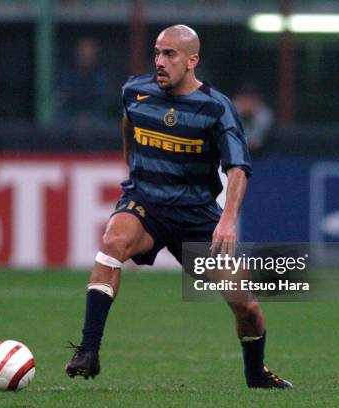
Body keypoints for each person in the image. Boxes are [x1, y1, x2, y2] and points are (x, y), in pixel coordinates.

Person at [64, 25, 292, 389]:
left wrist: (228, 220)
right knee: (111, 245)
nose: (159, 61)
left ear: (192, 60)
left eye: (170, 54)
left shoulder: (217, 109)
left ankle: (256, 374)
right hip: (147, 205)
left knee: (246, 306)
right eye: (157, 52)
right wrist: (136, 175)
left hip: (196, 216)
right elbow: (129, 128)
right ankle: (88, 350)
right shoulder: (135, 92)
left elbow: (238, 169)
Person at [56, 37, 113, 130]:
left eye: (89, 53)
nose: (86, 55)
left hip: (95, 119)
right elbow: (62, 100)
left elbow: (104, 102)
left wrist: (88, 116)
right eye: (83, 52)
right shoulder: (66, 75)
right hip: (69, 119)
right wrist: (76, 116)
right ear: (76, 53)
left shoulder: (101, 77)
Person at [233, 82, 274, 155]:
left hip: (260, 156)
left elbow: (256, 143)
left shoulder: (265, 114)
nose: (248, 102)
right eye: (245, 99)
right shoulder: (229, 111)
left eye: (252, 99)